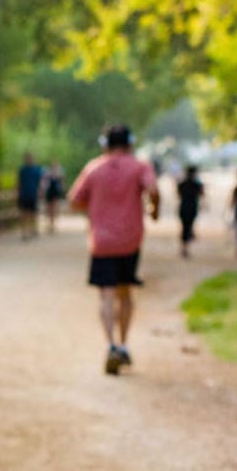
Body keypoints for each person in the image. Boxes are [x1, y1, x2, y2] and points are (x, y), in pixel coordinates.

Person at [67, 123, 159, 375]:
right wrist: (154, 210)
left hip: (101, 242)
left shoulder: (93, 168)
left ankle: (110, 345)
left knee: (106, 295)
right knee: (125, 292)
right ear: (130, 143)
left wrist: (96, 207)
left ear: (104, 144)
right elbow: (153, 190)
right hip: (130, 240)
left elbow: (74, 200)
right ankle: (124, 344)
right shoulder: (139, 167)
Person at [176, 165, 205, 257]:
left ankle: (185, 246)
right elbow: (201, 194)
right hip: (192, 208)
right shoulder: (197, 184)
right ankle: (185, 246)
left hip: (184, 207)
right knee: (188, 227)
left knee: (185, 227)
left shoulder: (182, 184)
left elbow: (178, 194)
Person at [16, 152, 44, 240]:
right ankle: (24, 231)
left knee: (33, 213)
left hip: (33, 194)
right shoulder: (22, 170)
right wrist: (17, 192)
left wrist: (40, 192)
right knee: (24, 213)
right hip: (24, 194)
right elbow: (19, 182)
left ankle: (33, 229)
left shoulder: (37, 170)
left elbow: (40, 182)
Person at [42, 160, 66, 234]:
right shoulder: (47, 173)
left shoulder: (59, 173)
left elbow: (62, 182)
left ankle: (53, 224)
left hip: (55, 192)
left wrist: (62, 189)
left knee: (55, 208)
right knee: (49, 209)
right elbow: (44, 183)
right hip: (49, 192)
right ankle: (50, 224)